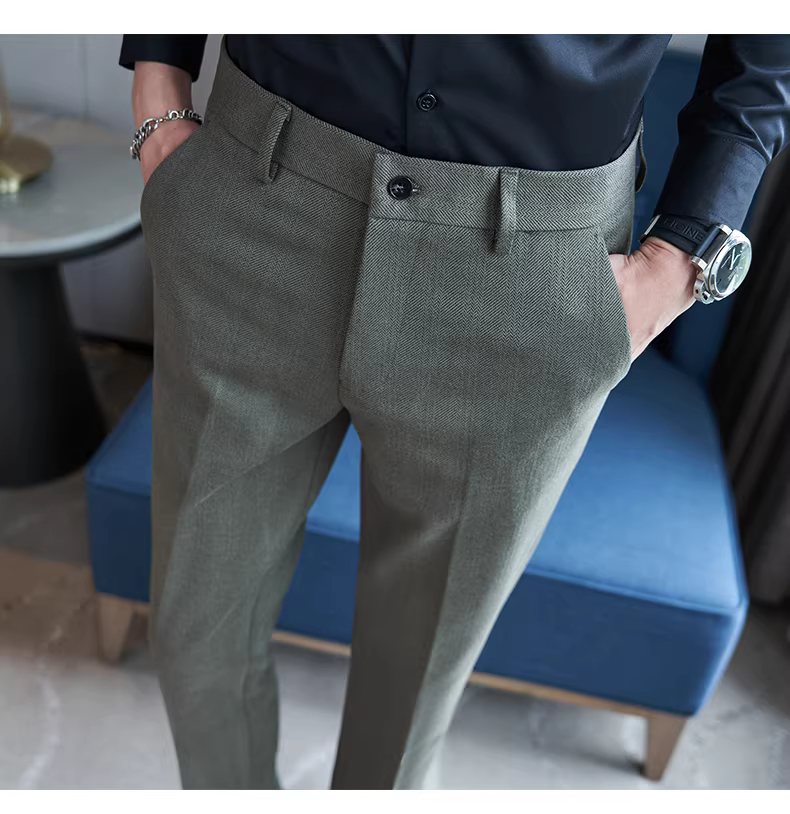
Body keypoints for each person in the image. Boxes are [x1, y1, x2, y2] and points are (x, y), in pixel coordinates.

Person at [119, 34, 790, 790]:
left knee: (415, 685)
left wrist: (681, 258)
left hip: (532, 265)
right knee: (194, 626)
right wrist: (157, 76)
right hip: (258, 195)